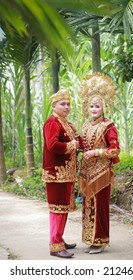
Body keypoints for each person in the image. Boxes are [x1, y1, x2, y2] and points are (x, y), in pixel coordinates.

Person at [78, 72, 120, 254]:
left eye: (97, 106)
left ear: (103, 107)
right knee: (88, 206)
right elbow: (80, 144)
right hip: (87, 173)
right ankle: (91, 240)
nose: (94, 109)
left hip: (102, 173)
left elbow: (115, 150)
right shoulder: (86, 125)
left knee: (100, 207)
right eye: (91, 106)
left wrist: (96, 152)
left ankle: (101, 240)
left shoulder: (108, 126)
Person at [42, 88, 79, 258]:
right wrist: (72, 145)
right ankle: (55, 246)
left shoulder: (65, 122)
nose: (66, 107)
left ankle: (59, 240)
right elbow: (53, 145)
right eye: (63, 104)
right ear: (54, 106)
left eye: (68, 104)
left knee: (63, 209)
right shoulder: (52, 123)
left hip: (66, 174)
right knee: (57, 210)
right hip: (56, 174)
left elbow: (77, 140)